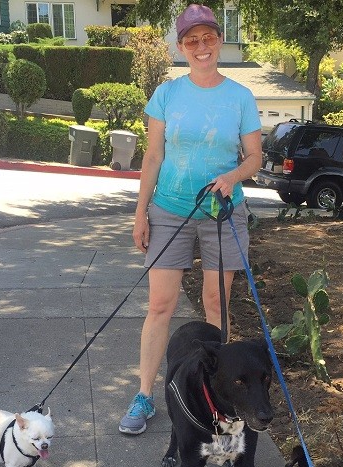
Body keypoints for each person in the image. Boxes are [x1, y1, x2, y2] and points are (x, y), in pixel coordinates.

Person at [118, 3, 263, 435]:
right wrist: (141, 212)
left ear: (219, 40)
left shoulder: (240, 96)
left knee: (216, 304)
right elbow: (153, 155)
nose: (201, 47)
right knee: (160, 305)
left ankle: (216, 397)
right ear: (181, 46)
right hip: (169, 209)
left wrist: (233, 175)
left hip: (222, 212)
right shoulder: (167, 93)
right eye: (191, 40)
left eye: (208, 38)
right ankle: (144, 396)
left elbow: (254, 158)